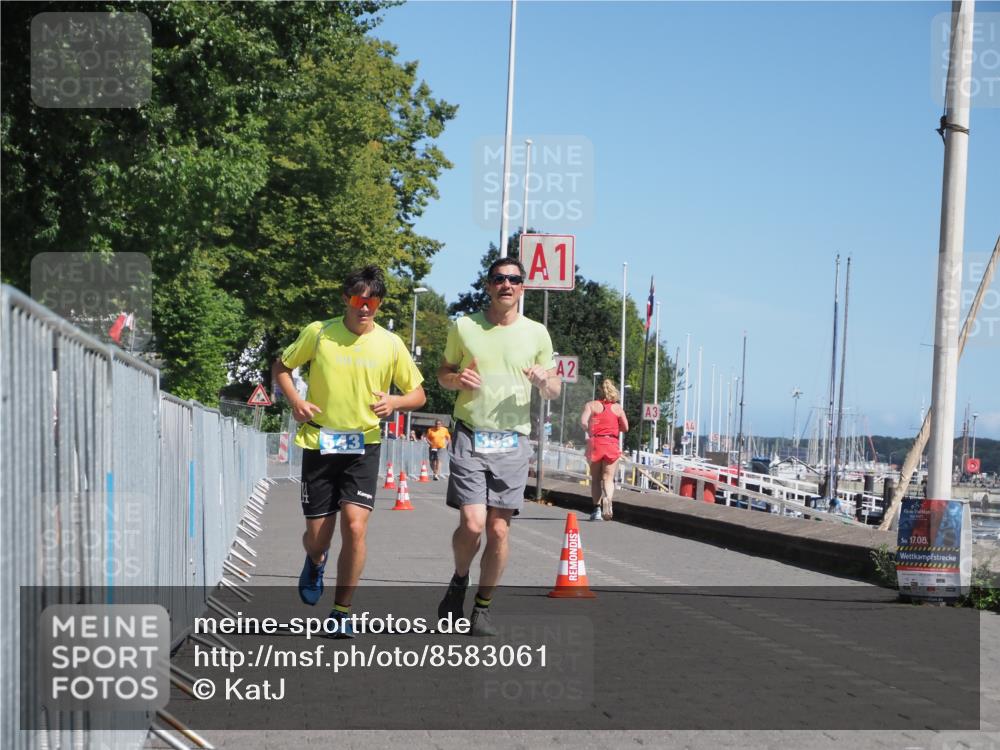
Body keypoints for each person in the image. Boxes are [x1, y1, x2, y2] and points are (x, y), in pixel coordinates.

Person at [272, 265, 425, 637]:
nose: (365, 307)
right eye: (359, 299)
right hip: (320, 443)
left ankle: (342, 611)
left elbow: (419, 395)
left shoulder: (391, 343)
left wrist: (395, 401)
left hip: (363, 446)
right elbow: (282, 366)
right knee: (318, 538)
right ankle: (315, 559)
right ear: (346, 299)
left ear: (379, 303)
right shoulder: (319, 333)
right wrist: (295, 401)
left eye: (373, 301)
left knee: (355, 527)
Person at [436, 257, 559, 636]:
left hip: (513, 441)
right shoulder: (465, 326)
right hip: (471, 434)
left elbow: (554, 388)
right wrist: (458, 378)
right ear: (488, 286)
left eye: (514, 280)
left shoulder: (537, 333)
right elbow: (442, 375)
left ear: (523, 288)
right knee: (472, 525)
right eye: (499, 279)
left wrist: (543, 381)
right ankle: (459, 579)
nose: (506, 285)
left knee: (499, 531)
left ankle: (482, 608)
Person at [580, 379, 629, 521]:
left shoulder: (591, 405)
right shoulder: (618, 408)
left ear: (599, 391)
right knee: (608, 478)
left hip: (596, 442)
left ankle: (597, 510)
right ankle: (608, 499)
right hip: (611, 443)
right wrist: (614, 428)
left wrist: (589, 429)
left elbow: (583, 421)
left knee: (595, 479)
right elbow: (626, 427)